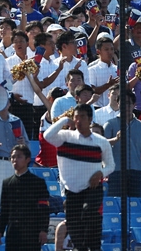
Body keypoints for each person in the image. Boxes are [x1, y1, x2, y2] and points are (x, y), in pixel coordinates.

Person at [44, 103, 114, 251]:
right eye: (76, 117)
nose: (79, 120)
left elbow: (111, 165)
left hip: (92, 188)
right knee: (74, 228)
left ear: (90, 119)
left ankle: (93, 246)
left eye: (82, 116)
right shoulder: (65, 137)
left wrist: (101, 173)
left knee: (89, 213)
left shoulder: (101, 142)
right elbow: (47, 135)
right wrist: (63, 120)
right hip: (72, 191)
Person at [0, 144, 50, 251]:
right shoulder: (7, 183)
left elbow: (44, 209)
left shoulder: (38, 183)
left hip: (31, 233)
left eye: (19, 157)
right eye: (13, 157)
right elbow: (4, 209)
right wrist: (0, 230)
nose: (15, 160)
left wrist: (43, 230)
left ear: (27, 159)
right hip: (13, 233)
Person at [0, 99, 29, 210]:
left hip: (15, 164)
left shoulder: (17, 121)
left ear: (9, 104)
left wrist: (23, 144)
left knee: (15, 198)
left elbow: (27, 144)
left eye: (6, 102)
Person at [103, 90, 141, 197]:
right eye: (123, 103)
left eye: (129, 103)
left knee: (135, 204)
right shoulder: (110, 124)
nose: (126, 106)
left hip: (136, 171)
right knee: (117, 203)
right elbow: (102, 145)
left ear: (134, 105)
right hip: (116, 171)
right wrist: (115, 139)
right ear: (118, 104)